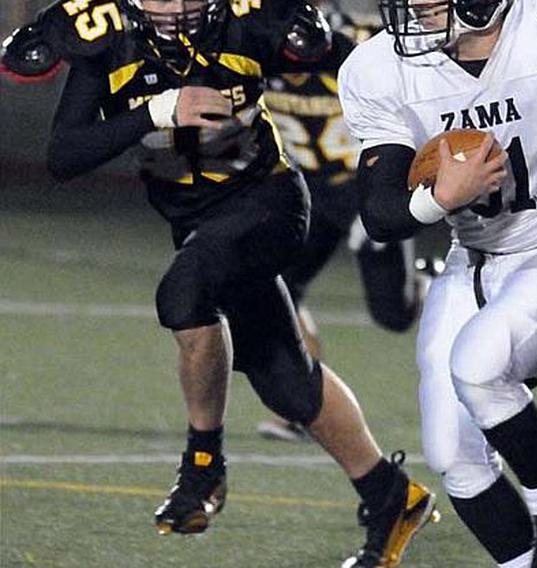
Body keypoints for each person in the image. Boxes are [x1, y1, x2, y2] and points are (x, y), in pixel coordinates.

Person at [0, 2, 436, 566]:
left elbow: (351, 62)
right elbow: (64, 155)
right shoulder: (104, 36)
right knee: (286, 382)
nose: (176, 6)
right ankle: (391, 496)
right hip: (194, 220)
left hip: (270, 203)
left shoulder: (250, 18)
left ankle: (202, 466)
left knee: (182, 294)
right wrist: (157, 111)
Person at [338, 1, 537, 566]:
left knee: (479, 363)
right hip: (474, 261)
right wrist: (441, 198)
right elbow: (381, 214)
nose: (418, 9)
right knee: (452, 455)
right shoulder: (380, 67)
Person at [257, 2, 425, 443]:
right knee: (272, 289)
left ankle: (428, 287)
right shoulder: (255, 38)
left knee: (393, 315)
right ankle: (303, 402)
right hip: (304, 187)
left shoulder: (368, 39)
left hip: (367, 186)